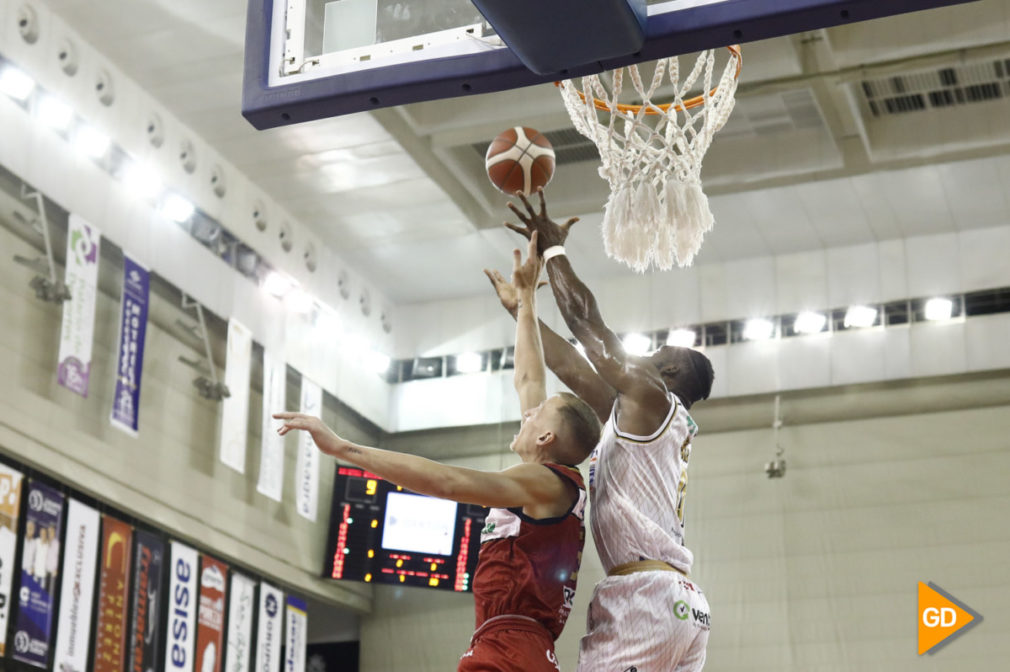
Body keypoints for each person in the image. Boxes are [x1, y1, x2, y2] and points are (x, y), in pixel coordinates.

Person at [275, 233, 602, 672]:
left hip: (509, 649)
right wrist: (525, 302)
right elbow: (528, 379)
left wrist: (344, 447)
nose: (529, 410)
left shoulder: (545, 483)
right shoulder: (547, 483)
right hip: (518, 648)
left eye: (538, 414)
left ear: (546, 439)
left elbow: (447, 482)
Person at [493, 189, 715, 672]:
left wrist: (553, 249)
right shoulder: (639, 417)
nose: (651, 353)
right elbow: (571, 367)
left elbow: (586, 325)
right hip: (680, 603)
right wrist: (523, 310)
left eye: (661, 353)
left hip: (647, 597)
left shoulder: (653, 396)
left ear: (672, 374)